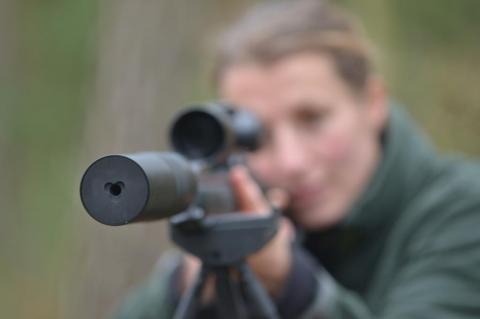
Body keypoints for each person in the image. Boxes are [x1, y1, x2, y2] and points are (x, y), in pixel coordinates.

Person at [114, 1, 480, 318]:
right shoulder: (257, 205)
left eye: (313, 119)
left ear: (373, 102)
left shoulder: (464, 209)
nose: (291, 162)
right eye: (258, 136)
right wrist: (184, 287)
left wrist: (291, 285)